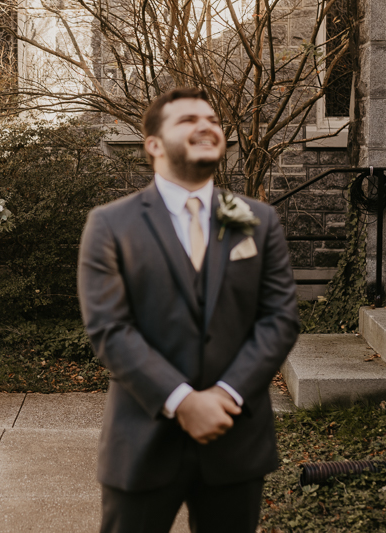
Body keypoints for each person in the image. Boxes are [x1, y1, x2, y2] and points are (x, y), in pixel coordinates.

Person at [77, 88, 299, 532]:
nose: (205, 125)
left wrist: (225, 395)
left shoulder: (257, 219)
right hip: (142, 438)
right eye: (187, 120)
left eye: (213, 119)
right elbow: (110, 328)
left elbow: (279, 318)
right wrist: (182, 402)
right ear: (154, 145)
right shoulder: (111, 223)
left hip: (234, 439)